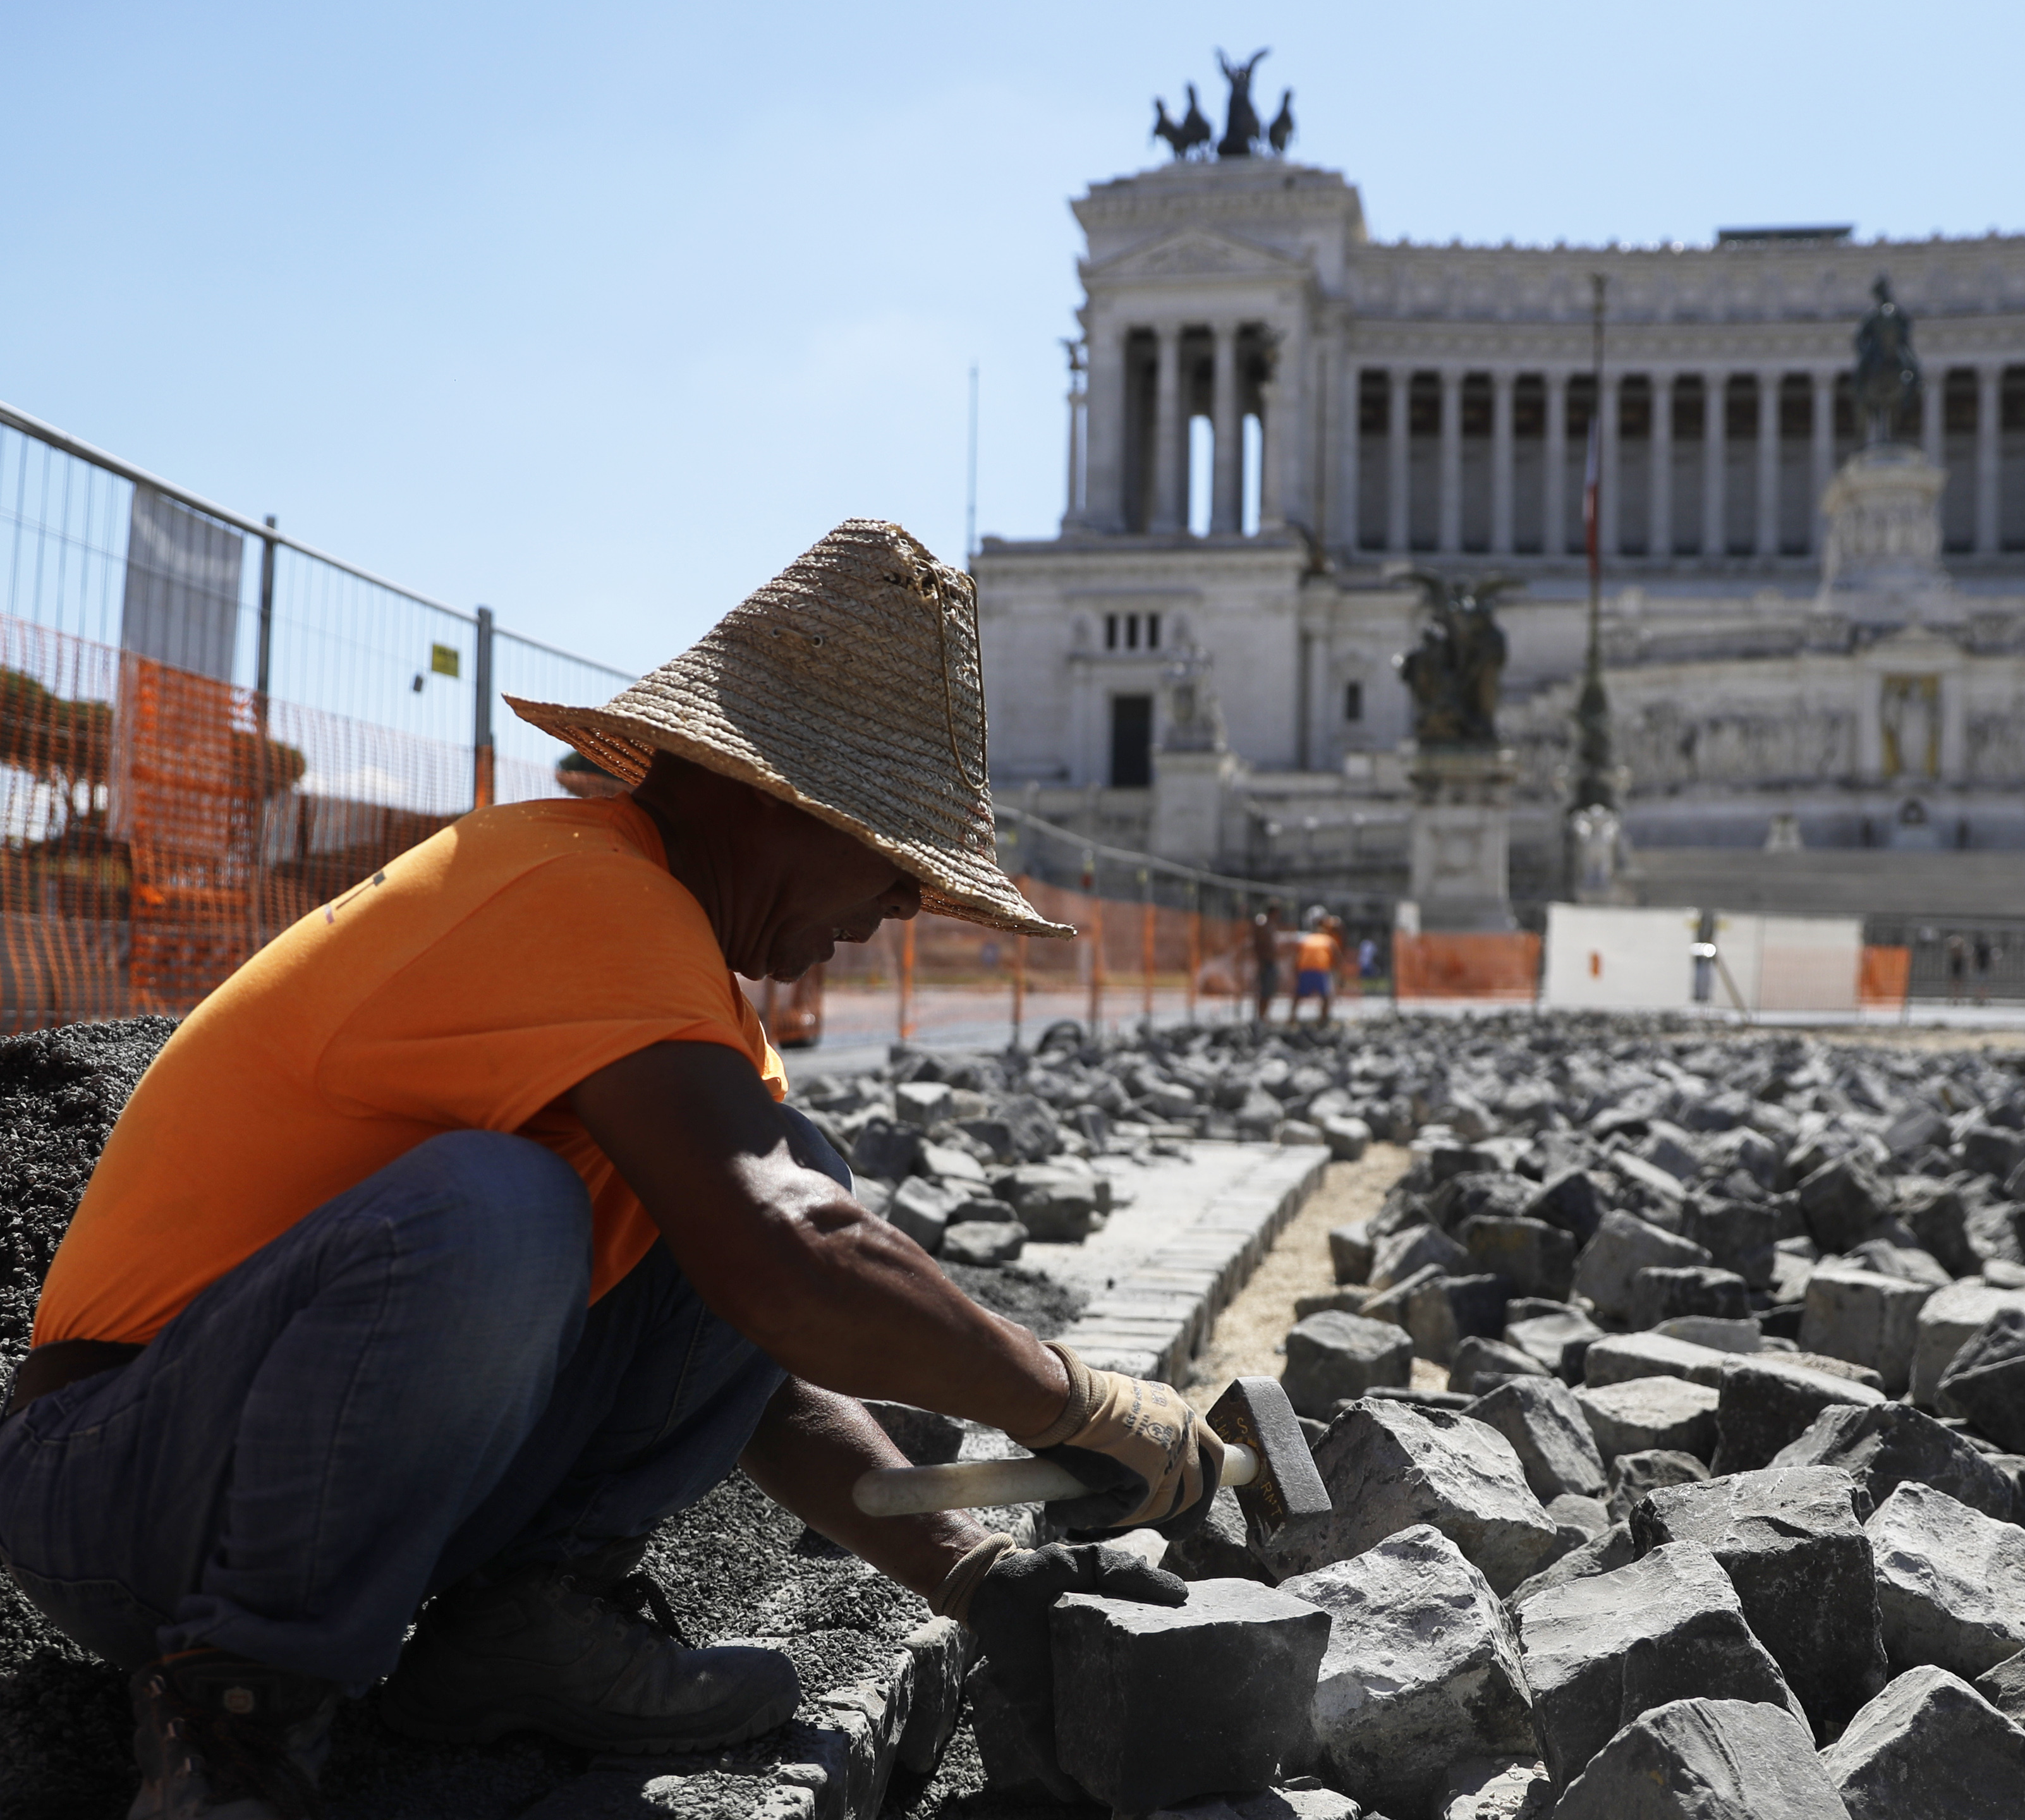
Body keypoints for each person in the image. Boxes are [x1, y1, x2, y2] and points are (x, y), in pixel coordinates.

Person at [0, 522, 1219, 1816]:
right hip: (115, 1486)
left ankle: (518, 1628)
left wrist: (973, 1569)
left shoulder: (685, 1002)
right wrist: (1080, 1405)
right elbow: (792, 1255)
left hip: (295, 1480)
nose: (902, 908)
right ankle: (233, 1704)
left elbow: (758, 1362)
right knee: (516, 1207)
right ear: (773, 796)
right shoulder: (576, 885)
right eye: (897, 858)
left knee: (776, 1164)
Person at [1289, 905, 1339, 1026]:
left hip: (1319, 970)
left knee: (1324, 997)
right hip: (1312, 970)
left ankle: (1322, 1020)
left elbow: (1336, 957)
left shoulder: (1326, 939)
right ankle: (1293, 1019)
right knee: (1303, 995)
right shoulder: (1307, 939)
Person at [1248, 897, 1284, 1025]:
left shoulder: (1271, 925)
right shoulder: (1263, 924)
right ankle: (1260, 1017)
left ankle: (1264, 1016)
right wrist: (1261, 962)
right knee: (1264, 991)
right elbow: (1260, 944)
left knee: (1270, 991)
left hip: (1271, 962)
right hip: (1266, 962)